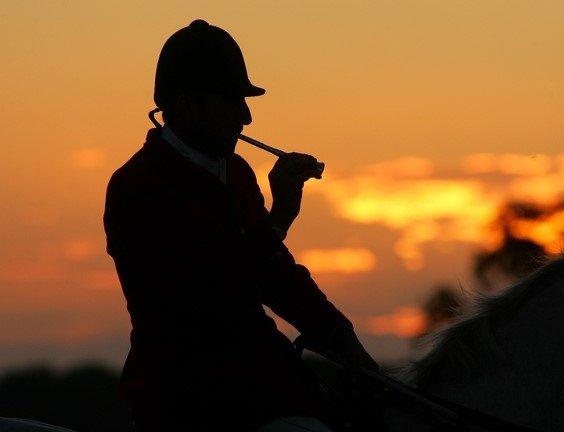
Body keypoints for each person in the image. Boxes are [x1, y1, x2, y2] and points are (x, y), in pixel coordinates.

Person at [103, 19, 377, 432]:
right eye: (233, 102)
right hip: (188, 398)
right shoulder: (137, 189)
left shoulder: (237, 172)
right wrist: (279, 218)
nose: (246, 117)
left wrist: (343, 338)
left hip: (260, 381)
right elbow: (209, 292)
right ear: (189, 106)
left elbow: (277, 276)